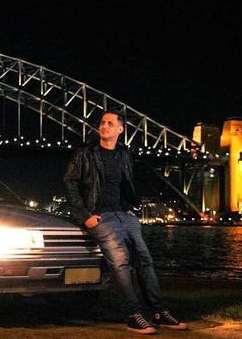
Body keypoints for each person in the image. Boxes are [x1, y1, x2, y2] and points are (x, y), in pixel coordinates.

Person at [63, 111, 187, 335]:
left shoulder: (124, 155)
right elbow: (70, 184)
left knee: (145, 261)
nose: (104, 126)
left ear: (120, 130)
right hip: (101, 217)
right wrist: (84, 216)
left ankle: (158, 311)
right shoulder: (85, 154)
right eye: (102, 123)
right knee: (120, 263)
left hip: (125, 216)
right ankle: (133, 315)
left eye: (110, 123)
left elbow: (126, 184)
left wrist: (132, 208)